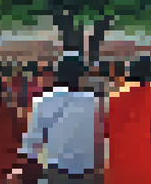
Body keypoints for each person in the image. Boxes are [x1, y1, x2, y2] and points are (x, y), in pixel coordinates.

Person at [21, 55, 101, 184]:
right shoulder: (94, 102)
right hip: (88, 171)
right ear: (81, 76)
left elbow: (32, 142)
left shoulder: (44, 101)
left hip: (56, 171)